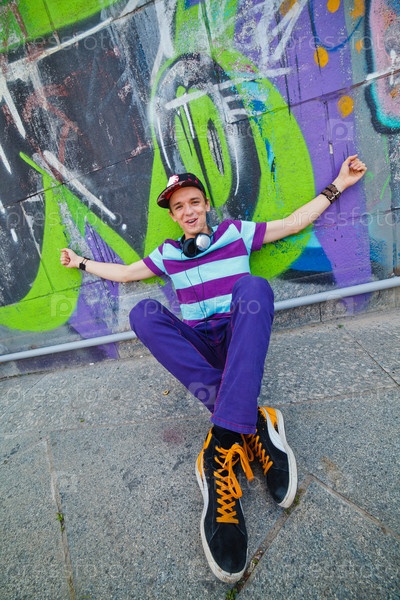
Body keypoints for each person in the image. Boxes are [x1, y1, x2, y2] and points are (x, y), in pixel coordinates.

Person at [60, 155, 367, 583]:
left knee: (254, 287)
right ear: (173, 216)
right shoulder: (169, 254)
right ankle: (252, 421)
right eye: (178, 207)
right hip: (200, 347)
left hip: (239, 335)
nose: (187, 211)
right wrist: (80, 262)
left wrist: (340, 183)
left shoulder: (234, 234)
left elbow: (292, 223)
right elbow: (127, 273)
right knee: (143, 314)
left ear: (206, 204)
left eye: (193, 202)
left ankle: (222, 441)